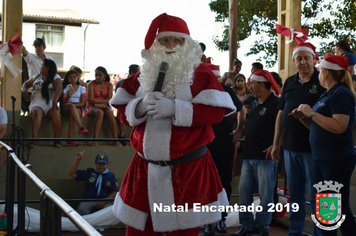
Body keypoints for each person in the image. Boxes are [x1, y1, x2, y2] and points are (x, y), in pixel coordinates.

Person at [110, 13, 235, 236]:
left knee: (184, 231)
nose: (171, 46)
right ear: (155, 44)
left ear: (187, 45)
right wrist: (138, 107)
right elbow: (121, 110)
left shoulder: (201, 75)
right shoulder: (142, 76)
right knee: (138, 231)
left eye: (177, 41)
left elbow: (216, 113)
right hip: (144, 169)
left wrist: (176, 109)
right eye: (165, 40)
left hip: (188, 169)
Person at [291, 55, 356, 236]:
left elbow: (339, 126)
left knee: (336, 209)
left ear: (326, 72)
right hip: (323, 158)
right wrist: (304, 119)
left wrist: (311, 113)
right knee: (329, 210)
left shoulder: (341, 93)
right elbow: (321, 126)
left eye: (320, 70)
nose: (318, 73)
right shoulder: (328, 93)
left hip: (335, 159)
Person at [271, 42, 325, 236]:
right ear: (294, 61)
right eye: (299, 58)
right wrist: (276, 142)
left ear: (314, 59)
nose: (303, 62)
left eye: (306, 58)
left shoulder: (323, 80)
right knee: (295, 195)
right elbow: (280, 114)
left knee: (321, 195)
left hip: (315, 149)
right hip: (290, 148)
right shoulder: (289, 82)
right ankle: (295, 231)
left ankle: (322, 233)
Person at [231, 70, 280, 236]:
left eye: (252, 83)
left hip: (266, 158)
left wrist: (276, 145)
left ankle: (262, 228)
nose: (249, 87)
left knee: (266, 196)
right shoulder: (255, 103)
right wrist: (240, 129)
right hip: (249, 156)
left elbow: (284, 127)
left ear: (261, 84)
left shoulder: (276, 103)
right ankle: (246, 225)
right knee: (244, 193)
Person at [204, 63, 245, 236]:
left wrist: (239, 130)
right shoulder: (200, 92)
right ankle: (207, 221)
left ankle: (221, 219)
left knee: (224, 183)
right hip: (205, 146)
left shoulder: (227, 92)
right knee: (205, 184)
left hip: (225, 145)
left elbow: (242, 111)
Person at [22, 59, 63, 148]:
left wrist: (55, 100)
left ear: (48, 68)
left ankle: (57, 140)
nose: (40, 68)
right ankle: (34, 140)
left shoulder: (55, 77)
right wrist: (24, 91)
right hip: (36, 103)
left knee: (56, 112)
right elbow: (25, 84)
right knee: (37, 112)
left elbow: (59, 88)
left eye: (42, 66)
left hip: (50, 103)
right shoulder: (37, 77)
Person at [69, 151, 119, 215]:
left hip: (104, 201)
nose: (101, 166)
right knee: (82, 209)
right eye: (99, 164)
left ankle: (103, 225)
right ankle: (84, 224)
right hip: (89, 200)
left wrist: (104, 202)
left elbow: (114, 192)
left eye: (103, 164)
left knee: (111, 210)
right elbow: (72, 174)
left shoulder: (111, 176)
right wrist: (77, 160)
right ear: (95, 163)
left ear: (107, 164)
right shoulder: (89, 172)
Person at [87, 66, 119, 147]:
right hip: (92, 108)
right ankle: (95, 141)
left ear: (104, 75)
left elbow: (110, 100)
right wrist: (102, 103)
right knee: (100, 112)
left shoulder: (109, 85)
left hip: (104, 107)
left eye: (100, 75)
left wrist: (97, 102)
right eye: (96, 75)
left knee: (110, 112)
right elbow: (90, 100)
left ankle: (115, 140)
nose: (97, 77)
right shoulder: (91, 84)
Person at [114, 64, 140, 146]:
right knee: (121, 110)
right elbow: (118, 100)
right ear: (132, 73)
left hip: (137, 105)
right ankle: (122, 133)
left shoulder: (142, 82)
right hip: (125, 105)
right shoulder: (121, 83)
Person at [62, 70, 89, 147]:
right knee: (71, 108)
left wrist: (72, 105)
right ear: (67, 78)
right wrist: (68, 96)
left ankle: (70, 140)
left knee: (72, 112)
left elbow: (82, 103)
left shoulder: (81, 88)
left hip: (77, 108)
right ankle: (81, 127)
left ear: (77, 78)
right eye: (70, 77)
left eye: (74, 77)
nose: (73, 79)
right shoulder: (66, 88)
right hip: (67, 108)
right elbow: (63, 103)